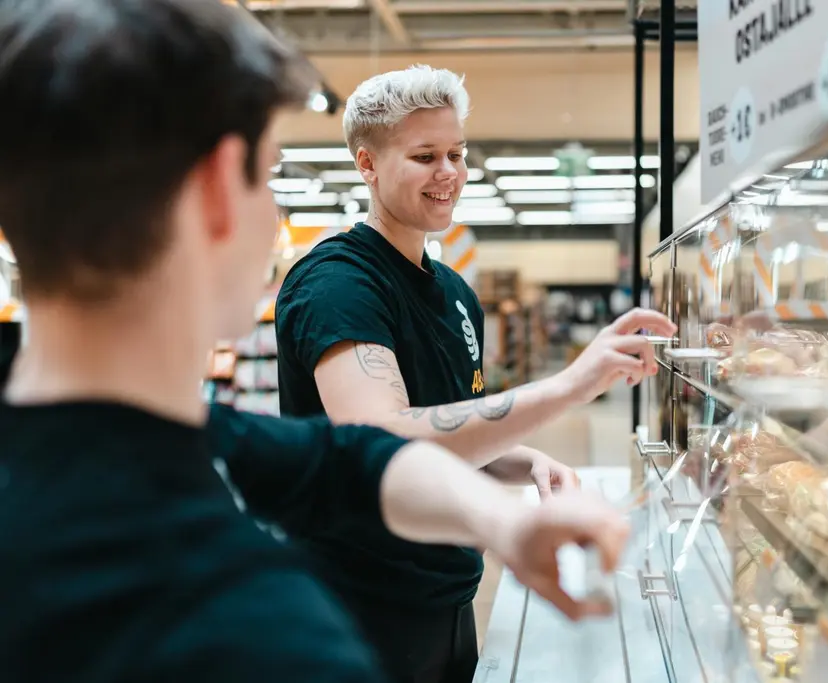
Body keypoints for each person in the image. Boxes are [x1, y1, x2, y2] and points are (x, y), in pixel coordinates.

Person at [0, 3, 629, 681]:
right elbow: (374, 436)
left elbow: (346, 457)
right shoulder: (270, 635)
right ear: (217, 189)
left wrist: (499, 522)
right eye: (269, 175)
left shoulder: (122, 438)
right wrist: (568, 387)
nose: (276, 215)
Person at [274, 64, 676, 682]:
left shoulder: (456, 293)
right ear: (368, 164)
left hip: (446, 594)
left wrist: (525, 460)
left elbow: (451, 431)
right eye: (425, 155)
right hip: (356, 606)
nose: (450, 173)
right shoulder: (338, 285)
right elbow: (382, 439)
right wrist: (569, 385)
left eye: (457, 153)